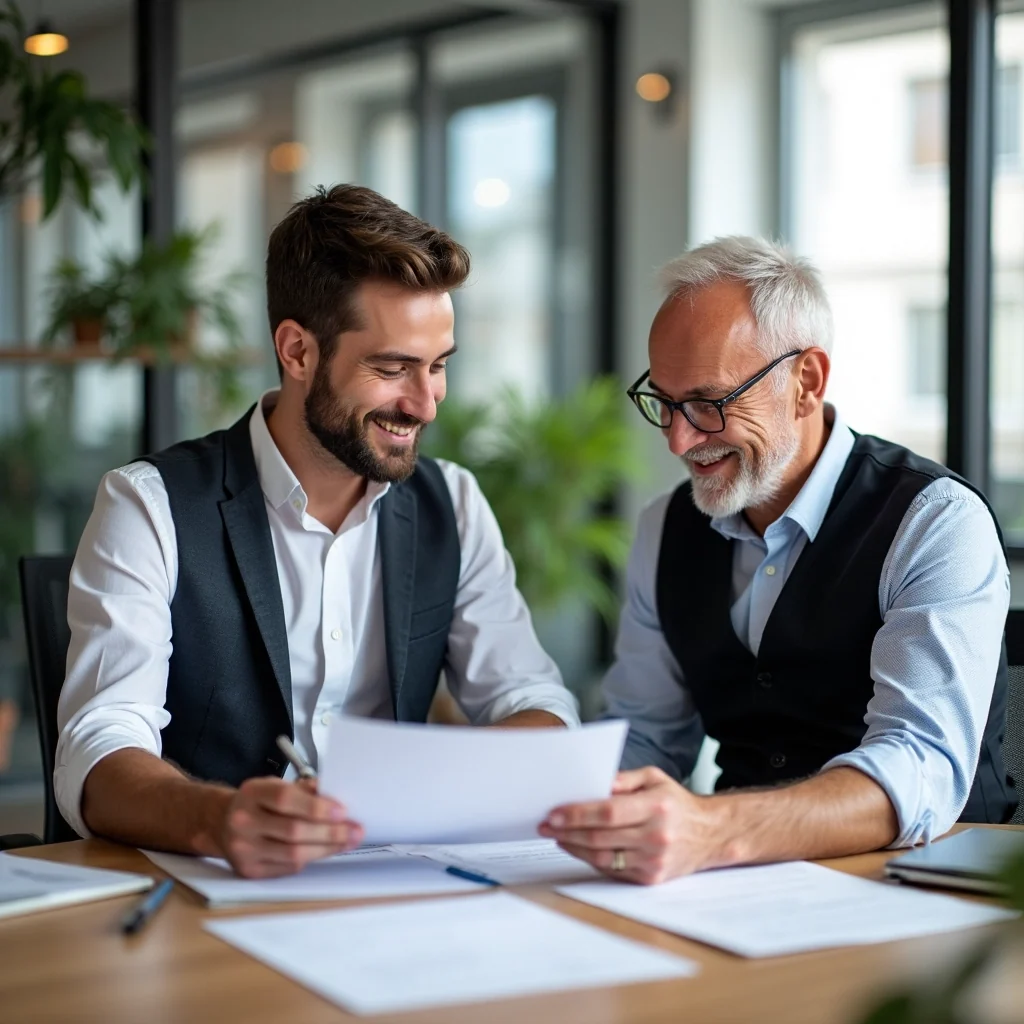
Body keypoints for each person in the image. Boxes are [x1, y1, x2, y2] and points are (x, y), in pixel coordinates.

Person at [56, 184, 579, 878]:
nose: (425, 404)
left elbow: (532, 700)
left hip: (399, 886)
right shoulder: (147, 505)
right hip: (206, 893)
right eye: (392, 368)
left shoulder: (451, 501)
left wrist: (476, 772)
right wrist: (219, 819)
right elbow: (100, 744)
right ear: (297, 351)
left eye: (440, 366)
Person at [541, 236, 1016, 884]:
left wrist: (713, 830)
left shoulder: (934, 521)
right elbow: (644, 738)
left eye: (709, 403)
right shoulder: (665, 527)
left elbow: (919, 766)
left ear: (806, 381)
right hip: (736, 888)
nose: (680, 439)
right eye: (666, 403)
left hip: (926, 890)